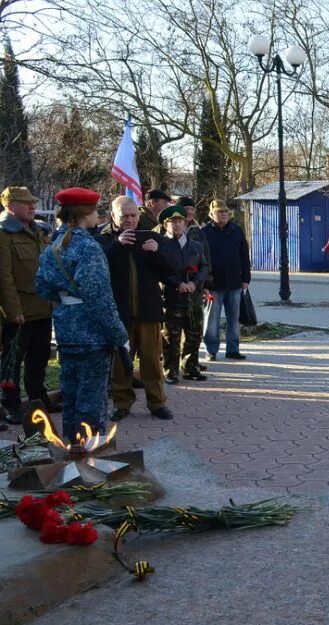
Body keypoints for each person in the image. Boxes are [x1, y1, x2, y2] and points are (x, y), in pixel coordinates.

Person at [35, 188, 129, 441]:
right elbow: (99, 297)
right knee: (92, 398)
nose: (98, 215)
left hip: (66, 327)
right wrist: (120, 334)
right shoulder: (88, 247)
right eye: (96, 210)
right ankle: (90, 456)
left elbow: (41, 287)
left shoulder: (53, 245)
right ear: (86, 213)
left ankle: (71, 450)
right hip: (92, 333)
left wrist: (67, 299)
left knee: (71, 396)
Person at [98, 196, 178, 421]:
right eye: (125, 216)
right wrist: (117, 245)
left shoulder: (151, 236)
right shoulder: (104, 240)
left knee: (152, 360)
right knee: (122, 362)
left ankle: (157, 403)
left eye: (133, 215)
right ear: (114, 216)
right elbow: (99, 268)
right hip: (119, 315)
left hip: (148, 311)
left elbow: (170, 271)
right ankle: (122, 403)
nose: (130, 220)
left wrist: (157, 252)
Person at [0, 186, 56, 424]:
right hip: (19, 312)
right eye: (26, 203)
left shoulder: (38, 231)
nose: (33, 206)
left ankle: (38, 398)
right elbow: (4, 276)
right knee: (12, 362)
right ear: (10, 207)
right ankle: (11, 404)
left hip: (42, 308)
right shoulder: (3, 234)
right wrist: (13, 311)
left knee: (39, 358)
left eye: (33, 202)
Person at [159, 206, 209, 383]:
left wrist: (195, 284)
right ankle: (170, 371)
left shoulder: (195, 245)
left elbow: (204, 267)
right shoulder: (161, 245)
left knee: (194, 335)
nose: (177, 225)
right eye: (173, 222)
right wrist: (177, 283)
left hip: (193, 298)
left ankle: (190, 367)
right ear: (166, 225)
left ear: (185, 223)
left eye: (180, 221)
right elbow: (160, 270)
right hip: (172, 299)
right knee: (171, 337)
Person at [201, 199, 250, 361]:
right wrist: (204, 283)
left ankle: (233, 349)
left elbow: (244, 255)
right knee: (212, 320)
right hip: (213, 284)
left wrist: (246, 278)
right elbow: (200, 259)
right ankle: (211, 350)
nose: (223, 215)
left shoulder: (236, 231)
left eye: (225, 212)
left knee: (234, 319)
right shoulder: (205, 232)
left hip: (235, 282)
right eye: (219, 212)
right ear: (212, 214)